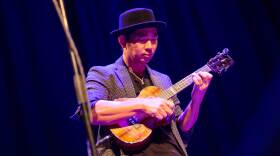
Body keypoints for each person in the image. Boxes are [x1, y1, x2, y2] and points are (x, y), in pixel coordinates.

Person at [86, 8, 212, 156]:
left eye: (154, 39)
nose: (149, 46)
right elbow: (92, 112)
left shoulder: (163, 79)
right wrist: (144, 105)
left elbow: (182, 128)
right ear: (122, 41)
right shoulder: (103, 74)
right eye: (142, 39)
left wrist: (197, 98)